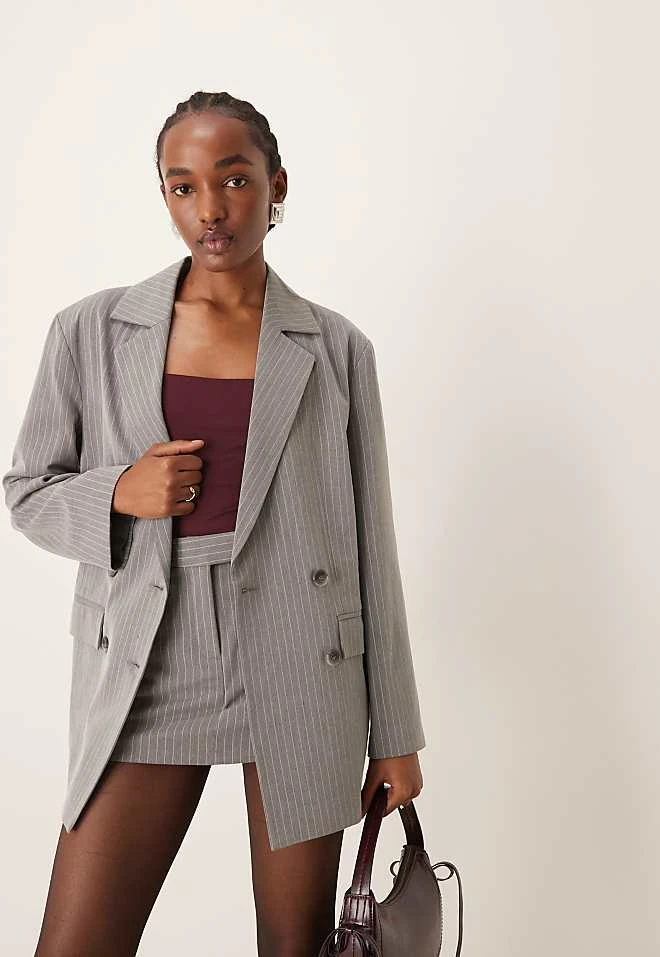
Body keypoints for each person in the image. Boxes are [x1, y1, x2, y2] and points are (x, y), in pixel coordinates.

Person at [3, 91, 426, 957]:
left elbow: (372, 550)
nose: (210, 209)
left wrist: (398, 736)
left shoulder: (337, 348)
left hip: (304, 660)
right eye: (183, 185)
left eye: (233, 180)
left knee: (294, 945)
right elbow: (26, 492)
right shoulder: (90, 330)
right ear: (163, 193)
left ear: (276, 186)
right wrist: (119, 492)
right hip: (151, 652)